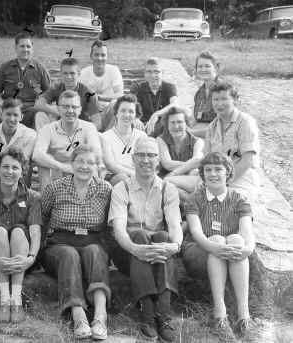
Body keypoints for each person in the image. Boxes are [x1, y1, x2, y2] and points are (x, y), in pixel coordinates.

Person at [108, 137, 182, 342]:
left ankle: (164, 313)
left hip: (157, 252)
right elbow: (119, 230)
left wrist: (174, 246)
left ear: (158, 160)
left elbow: (175, 224)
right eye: (141, 155)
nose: (146, 160)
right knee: (139, 235)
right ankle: (148, 314)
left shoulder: (168, 189)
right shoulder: (121, 188)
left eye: (151, 155)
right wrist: (134, 248)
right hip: (127, 253)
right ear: (133, 158)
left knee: (164, 236)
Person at [41, 145, 112, 340]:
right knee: (69, 254)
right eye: (80, 161)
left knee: (95, 252)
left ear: (97, 167)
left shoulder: (105, 189)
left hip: (92, 239)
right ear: (71, 164)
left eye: (90, 163)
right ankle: (78, 313)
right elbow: (42, 218)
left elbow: (109, 224)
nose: (85, 166)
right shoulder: (55, 187)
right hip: (59, 242)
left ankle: (100, 314)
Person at [183, 152, 255, 339]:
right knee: (216, 240)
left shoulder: (239, 199)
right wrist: (215, 247)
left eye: (218, 169)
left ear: (228, 172)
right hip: (198, 250)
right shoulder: (195, 198)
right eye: (208, 170)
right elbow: (197, 233)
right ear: (202, 173)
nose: (213, 174)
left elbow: (247, 232)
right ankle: (220, 311)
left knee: (237, 241)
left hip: (228, 251)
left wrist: (247, 249)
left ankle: (243, 314)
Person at [0, 148, 41, 323]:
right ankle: (5, 300)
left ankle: (16, 300)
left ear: (22, 172)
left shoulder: (33, 197)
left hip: (23, 259)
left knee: (20, 231)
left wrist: (31, 258)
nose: (9, 172)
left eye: (15, 167)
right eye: (5, 167)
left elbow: (35, 233)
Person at [33, 90, 103, 191]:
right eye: (65, 107)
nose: (70, 111)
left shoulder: (89, 127)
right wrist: (63, 167)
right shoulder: (47, 129)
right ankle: (47, 202)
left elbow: (96, 155)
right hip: (57, 174)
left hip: (82, 171)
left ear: (80, 110)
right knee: (43, 163)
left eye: (74, 107)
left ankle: (87, 201)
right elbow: (37, 155)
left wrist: (74, 166)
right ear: (58, 109)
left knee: (92, 165)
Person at [204, 81, 260, 205]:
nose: (219, 104)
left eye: (224, 99)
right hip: (216, 177)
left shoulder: (245, 122)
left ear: (235, 100)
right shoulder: (212, 126)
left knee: (221, 206)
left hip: (242, 178)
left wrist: (223, 183)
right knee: (175, 186)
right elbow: (206, 160)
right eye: (215, 99)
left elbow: (247, 161)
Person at [0, 32, 51, 129]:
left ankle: (37, 142)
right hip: (8, 107)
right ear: (16, 48)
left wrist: (41, 103)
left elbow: (48, 93)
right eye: (22, 46)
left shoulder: (40, 69)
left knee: (40, 114)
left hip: (30, 109)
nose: (25, 49)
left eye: (28, 46)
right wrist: (0, 103)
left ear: (32, 49)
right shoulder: (6, 67)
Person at [33, 57, 99, 130]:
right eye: (65, 73)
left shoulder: (89, 93)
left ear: (79, 73)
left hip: (79, 128)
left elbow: (97, 122)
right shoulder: (57, 87)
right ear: (61, 74)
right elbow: (38, 104)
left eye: (72, 73)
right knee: (40, 115)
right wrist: (57, 111)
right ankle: (44, 139)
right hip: (61, 126)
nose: (69, 77)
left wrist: (85, 132)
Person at [157, 106, 204, 199]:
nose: (176, 126)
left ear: (186, 124)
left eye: (180, 122)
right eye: (172, 123)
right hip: (166, 179)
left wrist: (176, 172)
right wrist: (190, 165)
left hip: (187, 179)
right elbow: (167, 164)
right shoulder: (161, 140)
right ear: (167, 125)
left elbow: (197, 161)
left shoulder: (197, 141)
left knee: (195, 173)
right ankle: (191, 202)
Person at [100, 95, 147, 186]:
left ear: (135, 115)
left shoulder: (142, 136)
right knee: (124, 179)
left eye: (131, 111)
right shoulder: (105, 137)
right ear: (116, 113)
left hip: (139, 176)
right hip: (115, 176)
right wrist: (135, 175)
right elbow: (111, 165)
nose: (127, 115)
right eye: (123, 111)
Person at [79, 40, 124, 131]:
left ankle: (108, 137)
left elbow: (120, 94)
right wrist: (92, 100)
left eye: (103, 55)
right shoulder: (83, 73)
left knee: (115, 104)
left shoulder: (114, 70)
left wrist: (99, 97)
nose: (100, 58)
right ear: (91, 56)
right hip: (90, 113)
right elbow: (77, 95)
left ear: (107, 57)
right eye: (96, 54)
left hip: (108, 112)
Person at [130, 58, 178, 137]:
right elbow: (128, 103)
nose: (153, 76)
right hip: (140, 125)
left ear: (162, 73)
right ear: (144, 74)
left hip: (162, 125)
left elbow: (174, 104)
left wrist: (156, 114)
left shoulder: (169, 87)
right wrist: (135, 118)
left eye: (156, 72)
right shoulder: (137, 86)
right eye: (149, 72)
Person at [191, 51, 221, 138]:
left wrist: (191, 133)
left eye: (207, 66)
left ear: (215, 68)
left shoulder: (222, 90)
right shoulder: (199, 92)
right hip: (201, 132)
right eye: (200, 66)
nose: (203, 69)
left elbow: (220, 127)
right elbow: (195, 118)